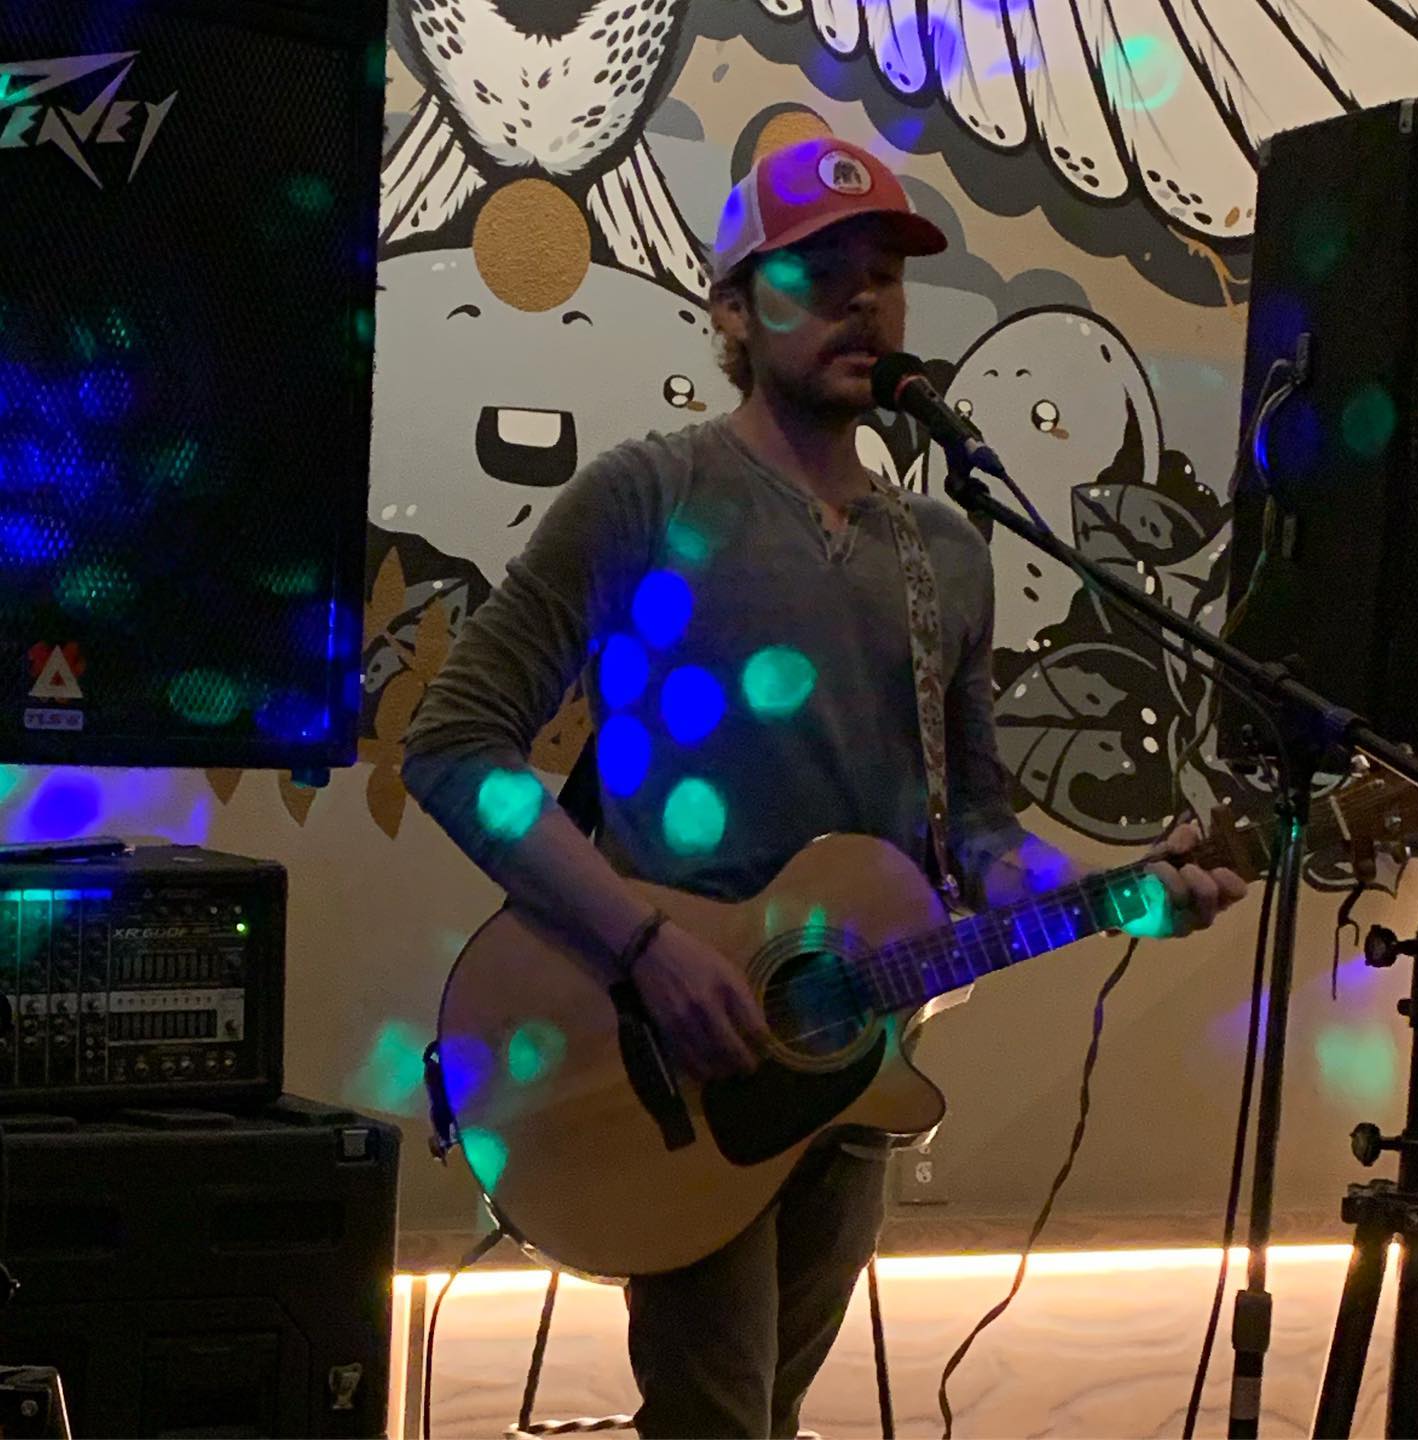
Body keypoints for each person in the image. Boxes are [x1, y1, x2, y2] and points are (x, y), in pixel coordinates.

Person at [401, 136, 1247, 1439]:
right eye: (820, 273)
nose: (866, 301)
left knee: (766, 1414)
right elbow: (457, 746)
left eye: (885, 277)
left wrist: (1123, 894)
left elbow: (974, 834)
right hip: (661, 1048)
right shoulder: (644, 497)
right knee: (719, 1416)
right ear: (734, 311)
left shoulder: (946, 554)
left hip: (848, 1054)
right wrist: (645, 946)